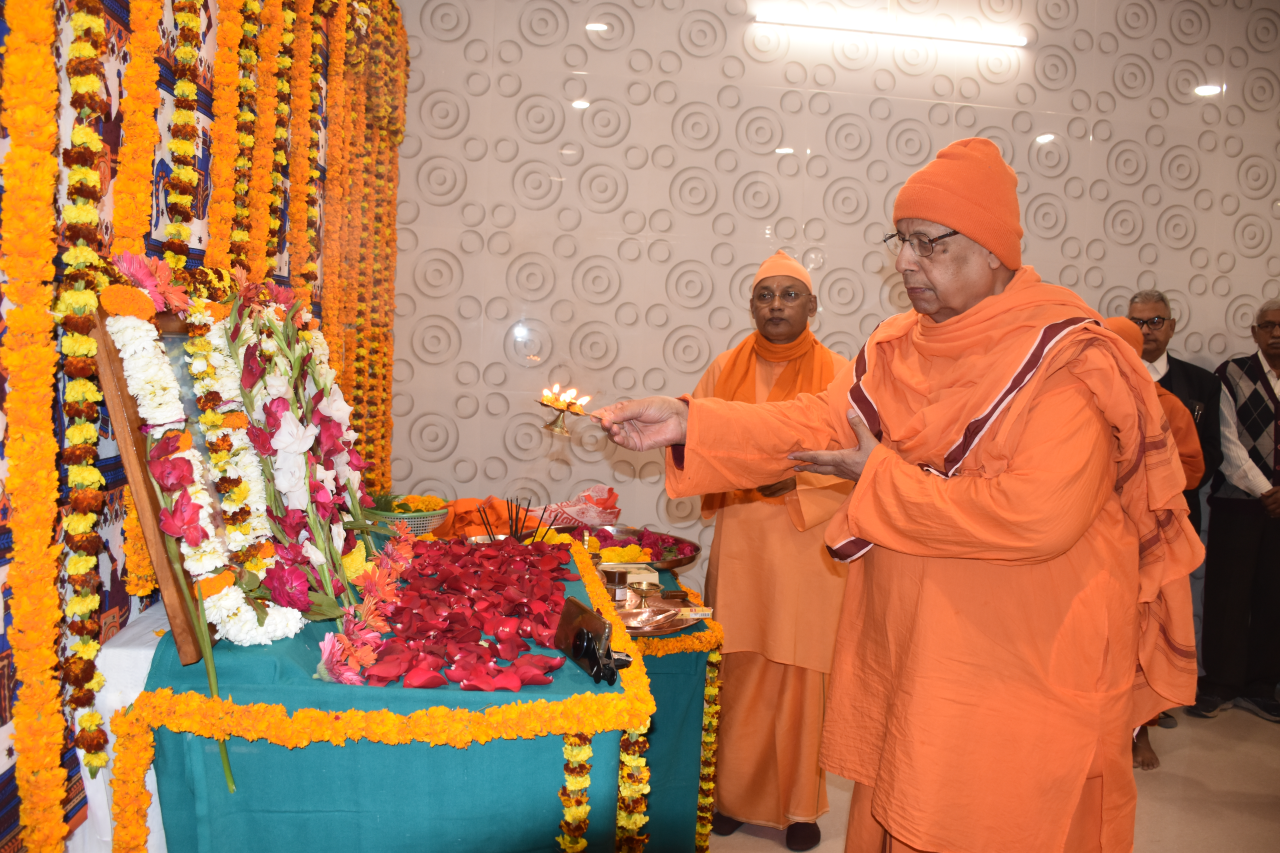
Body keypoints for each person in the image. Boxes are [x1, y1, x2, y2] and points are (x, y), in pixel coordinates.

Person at [592, 137, 1202, 853]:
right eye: (901, 241)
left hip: (1018, 662)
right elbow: (818, 420)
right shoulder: (902, 346)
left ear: (992, 250)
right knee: (901, 803)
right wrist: (690, 419)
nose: (906, 262)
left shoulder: (1065, 361)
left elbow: (1036, 518)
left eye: (929, 243)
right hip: (916, 647)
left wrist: (876, 475)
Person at [696, 250, 852, 852]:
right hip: (742, 544)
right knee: (738, 671)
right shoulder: (723, 370)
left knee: (801, 680)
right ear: (751, 306)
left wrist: (797, 486)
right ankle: (731, 799)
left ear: (812, 305)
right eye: (766, 295)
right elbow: (696, 444)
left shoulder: (839, 374)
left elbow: (863, 463)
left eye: (790, 295)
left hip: (807, 546)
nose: (777, 305)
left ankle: (799, 808)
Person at [1104, 316, 1205, 770]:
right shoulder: (1083, 398)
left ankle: (1142, 731)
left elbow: (1193, 470)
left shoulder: (1167, 405)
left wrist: (1144, 481)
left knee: (1143, 637)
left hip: (1146, 541)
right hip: (1098, 541)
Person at [1189, 300, 1280, 723]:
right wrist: (1266, 490)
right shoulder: (1232, 373)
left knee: (1273, 596)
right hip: (1236, 505)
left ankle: (1262, 685)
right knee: (1227, 594)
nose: (1276, 333)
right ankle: (1220, 684)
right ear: (1255, 331)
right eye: (1268, 326)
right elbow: (1227, 442)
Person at [1127, 290, 1223, 533]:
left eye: (1155, 322)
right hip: (1122, 515)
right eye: (1137, 322)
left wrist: (1172, 485)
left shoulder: (1203, 383)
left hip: (1181, 511)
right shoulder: (1111, 378)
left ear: (1172, 327)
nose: (1145, 330)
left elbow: (1212, 449)